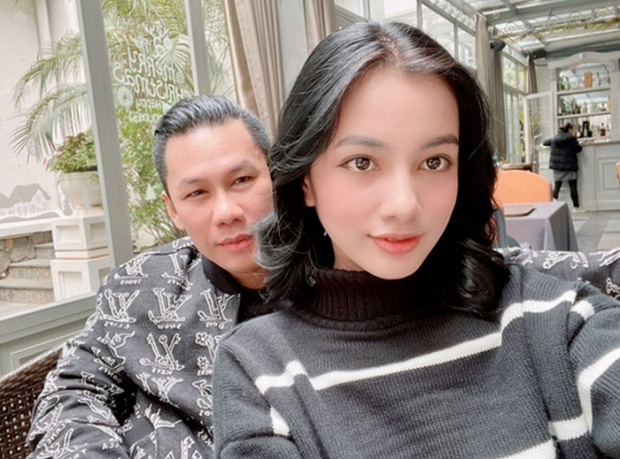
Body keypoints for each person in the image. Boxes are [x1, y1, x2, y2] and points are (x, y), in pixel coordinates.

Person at [212, 22, 620, 458]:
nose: (405, 205)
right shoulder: (260, 372)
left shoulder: (557, 321)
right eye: (362, 162)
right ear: (305, 181)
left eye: (434, 162)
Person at [27, 95, 277, 458]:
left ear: (276, 175)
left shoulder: (343, 282)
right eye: (197, 192)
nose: (226, 212)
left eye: (241, 180)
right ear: (172, 209)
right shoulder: (138, 285)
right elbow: (73, 388)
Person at [544, 122, 583, 211]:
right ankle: (576, 207)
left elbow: (545, 142)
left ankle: (552, 207)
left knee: (557, 188)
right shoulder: (571, 139)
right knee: (573, 187)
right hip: (569, 166)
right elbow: (578, 149)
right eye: (573, 129)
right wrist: (575, 138)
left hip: (557, 167)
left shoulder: (555, 138)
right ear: (569, 129)